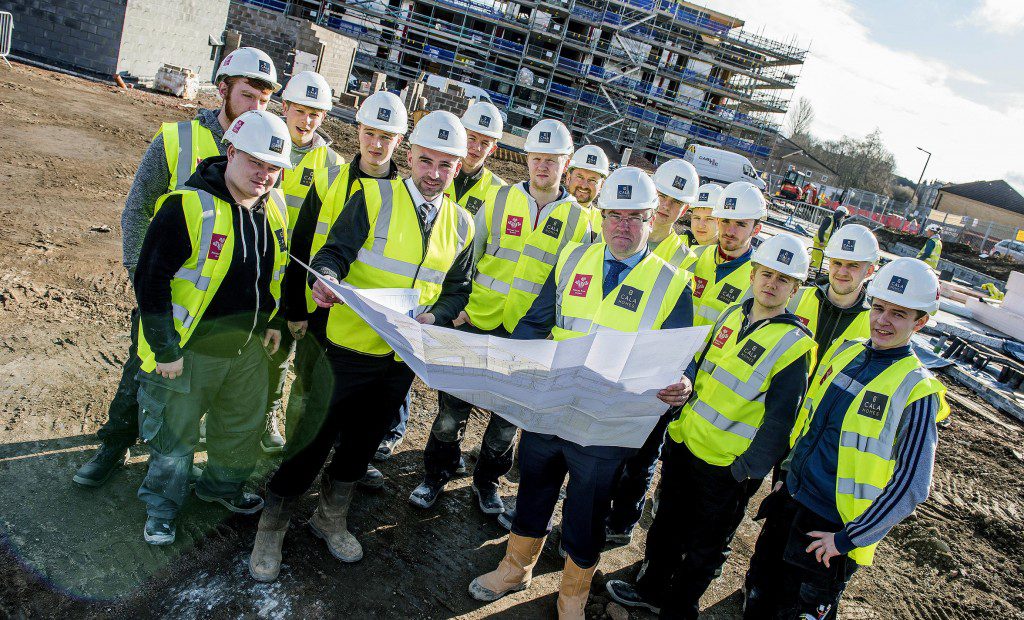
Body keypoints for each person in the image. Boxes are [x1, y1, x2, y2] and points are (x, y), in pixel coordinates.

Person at [248, 111, 475, 582]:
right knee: (312, 441)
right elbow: (333, 252)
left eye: (445, 165)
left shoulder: (463, 225)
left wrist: (434, 315)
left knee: (363, 442)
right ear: (409, 155)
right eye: (426, 160)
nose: (433, 173)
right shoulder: (372, 197)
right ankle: (272, 525)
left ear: (458, 166)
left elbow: (458, 288)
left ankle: (330, 516)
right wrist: (326, 278)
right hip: (346, 351)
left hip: (399, 358)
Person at [468, 167, 695, 619]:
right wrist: (508, 364)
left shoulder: (671, 284)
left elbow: (679, 358)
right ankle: (515, 567)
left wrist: (683, 381)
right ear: (602, 217)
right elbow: (537, 322)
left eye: (634, 218)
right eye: (614, 216)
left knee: (587, 511)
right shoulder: (573, 259)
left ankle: (572, 594)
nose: (622, 227)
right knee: (534, 488)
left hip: (604, 423)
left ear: (652, 219)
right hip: (552, 407)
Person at [74, 47, 279, 488]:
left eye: (264, 100)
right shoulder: (178, 138)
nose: (256, 108)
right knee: (141, 370)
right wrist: (140, 274)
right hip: (169, 292)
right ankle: (114, 445)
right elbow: (138, 209)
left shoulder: (264, 149)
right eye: (247, 96)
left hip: (222, 309)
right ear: (222, 89)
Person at [606, 233, 817, 618]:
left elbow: (781, 420)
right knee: (667, 526)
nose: (771, 284)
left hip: (727, 467)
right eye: (766, 273)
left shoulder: (794, 345)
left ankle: (679, 608)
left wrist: (746, 470)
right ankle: (651, 589)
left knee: (706, 547)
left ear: (795, 288)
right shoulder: (731, 314)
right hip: (687, 445)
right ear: (753, 274)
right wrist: (679, 422)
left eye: (783, 279)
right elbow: (700, 371)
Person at [742, 258, 949, 619]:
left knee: (796, 610)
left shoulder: (917, 391)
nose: (883, 321)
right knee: (761, 594)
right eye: (879, 308)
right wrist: (786, 476)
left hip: (832, 530)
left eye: (898, 314)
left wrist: (846, 539)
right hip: (792, 502)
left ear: (920, 322)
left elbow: (912, 486)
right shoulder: (848, 350)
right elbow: (809, 422)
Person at [409, 118, 592, 514]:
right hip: (477, 322)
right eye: (536, 158)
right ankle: (435, 475)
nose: (543, 167)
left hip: (530, 336)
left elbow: (575, 287)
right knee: (450, 412)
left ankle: (487, 482)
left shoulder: (581, 221)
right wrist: (458, 311)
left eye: (553, 160)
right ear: (526, 158)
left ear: (568, 162)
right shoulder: (502, 198)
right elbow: (468, 261)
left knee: (505, 423)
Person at [134, 110, 293, 545]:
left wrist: (271, 321)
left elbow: (270, 274)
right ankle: (162, 509)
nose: (264, 174)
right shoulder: (187, 206)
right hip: (189, 352)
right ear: (230, 152)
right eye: (256, 162)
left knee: (238, 428)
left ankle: (219, 488)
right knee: (175, 438)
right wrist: (165, 350)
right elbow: (150, 282)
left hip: (245, 350)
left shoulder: (272, 209)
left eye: (274, 167)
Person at [373, 100, 509, 465]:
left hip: (459, 303)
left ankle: (439, 456)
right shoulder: (429, 169)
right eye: (473, 138)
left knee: (449, 384)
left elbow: (486, 256)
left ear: (493, 148)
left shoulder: (499, 193)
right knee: (402, 362)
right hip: (418, 291)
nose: (478, 146)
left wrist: (464, 308)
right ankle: (391, 430)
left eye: (486, 142)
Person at [283, 90, 407, 487]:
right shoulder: (330, 178)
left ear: (399, 141)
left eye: (386, 137)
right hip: (320, 312)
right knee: (307, 390)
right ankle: (294, 461)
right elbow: (300, 247)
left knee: (357, 404)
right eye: (370, 133)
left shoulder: (404, 197)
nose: (376, 144)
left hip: (368, 323)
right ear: (358, 130)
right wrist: (295, 309)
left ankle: (347, 462)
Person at [600, 158, 701, 545]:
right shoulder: (613, 233)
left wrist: (684, 373)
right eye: (662, 196)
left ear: (684, 210)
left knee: (641, 458)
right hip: (609, 366)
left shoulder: (689, 260)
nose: (666, 206)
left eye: (677, 202)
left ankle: (621, 522)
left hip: (653, 374)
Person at [260, 70, 342, 453]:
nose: (306, 121)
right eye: (300, 110)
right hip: (256, 261)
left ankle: (266, 418)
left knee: (280, 354)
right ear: (285, 106)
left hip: (295, 274)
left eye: (315, 114)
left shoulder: (333, 165)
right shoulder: (262, 140)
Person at [787, 224, 878, 375]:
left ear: (868, 271)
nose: (842, 272)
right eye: (837, 263)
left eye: (852, 265)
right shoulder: (795, 297)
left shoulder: (872, 325)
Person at [689, 181, 767, 327]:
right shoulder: (693, 256)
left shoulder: (760, 278)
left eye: (740, 224)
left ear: (756, 230)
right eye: (725, 221)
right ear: (718, 221)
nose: (730, 231)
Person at [565, 144, 610, 237]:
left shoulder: (605, 225)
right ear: (568, 177)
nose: (584, 185)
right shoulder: (549, 208)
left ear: (602, 185)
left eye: (592, 180)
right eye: (580, 177)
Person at [682, 183, 722, 248]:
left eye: (709, 219)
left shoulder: (731, 254)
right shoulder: (676, 244)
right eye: (697, 218)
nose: (700, 225)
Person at [810, 205, 849, 272]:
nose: (843, 218)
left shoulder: (836, 222)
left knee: (820, 259)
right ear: (840, 214)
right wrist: (821, 240)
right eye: (843, 216)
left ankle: (815, 270)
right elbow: (821, 230)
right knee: (816, 258)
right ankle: (812, 270)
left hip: (824, 244)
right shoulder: (829, 219)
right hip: (819, 242)